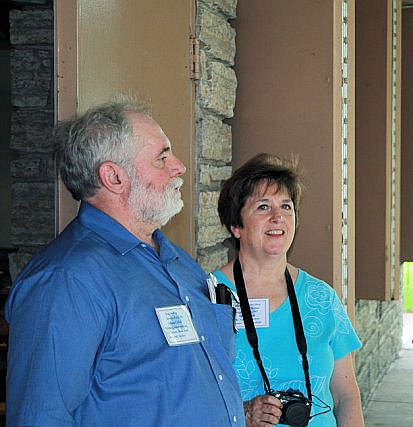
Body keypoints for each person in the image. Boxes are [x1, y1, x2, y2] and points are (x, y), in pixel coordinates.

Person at [4, 99, 244, 426]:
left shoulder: (178, 262)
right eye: (162, 157)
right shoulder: (66, 280)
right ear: (114, 177)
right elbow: (39, 417)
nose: (179, 167)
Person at [212, 153, 364, 427]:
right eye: (263, 207)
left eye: (286, 206)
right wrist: (243, 413)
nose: (277, 217)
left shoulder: (321, 298)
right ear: (236, 225)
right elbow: (189, 398)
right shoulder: (209, 297)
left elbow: (346, 397)